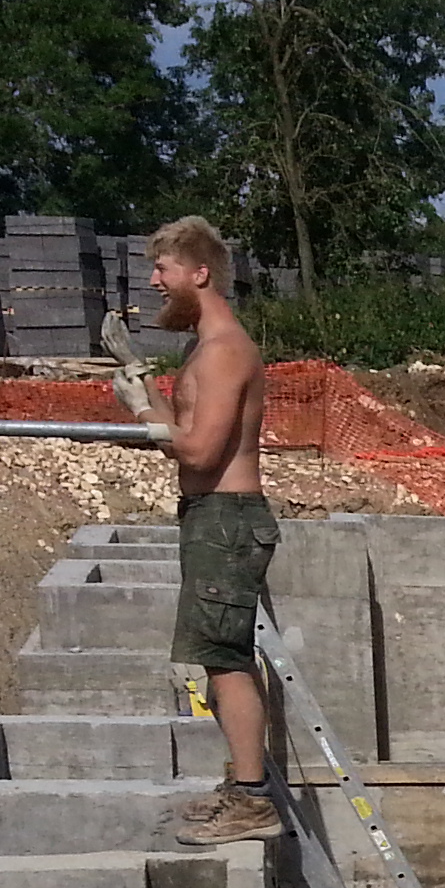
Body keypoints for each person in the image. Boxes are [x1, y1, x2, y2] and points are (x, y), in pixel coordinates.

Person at [128, 217, 279, 846]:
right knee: (218, 659)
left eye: (164, 269)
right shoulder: (200, 350)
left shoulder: (222, 352)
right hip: (210, 517)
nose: (155, 281)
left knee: (225, 661)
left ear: (200, 274)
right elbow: (185, 444)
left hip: (226, 519)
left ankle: (252, 801)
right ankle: (241, 784)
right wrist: (142, 389)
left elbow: (196, 452)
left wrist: (143, 413)